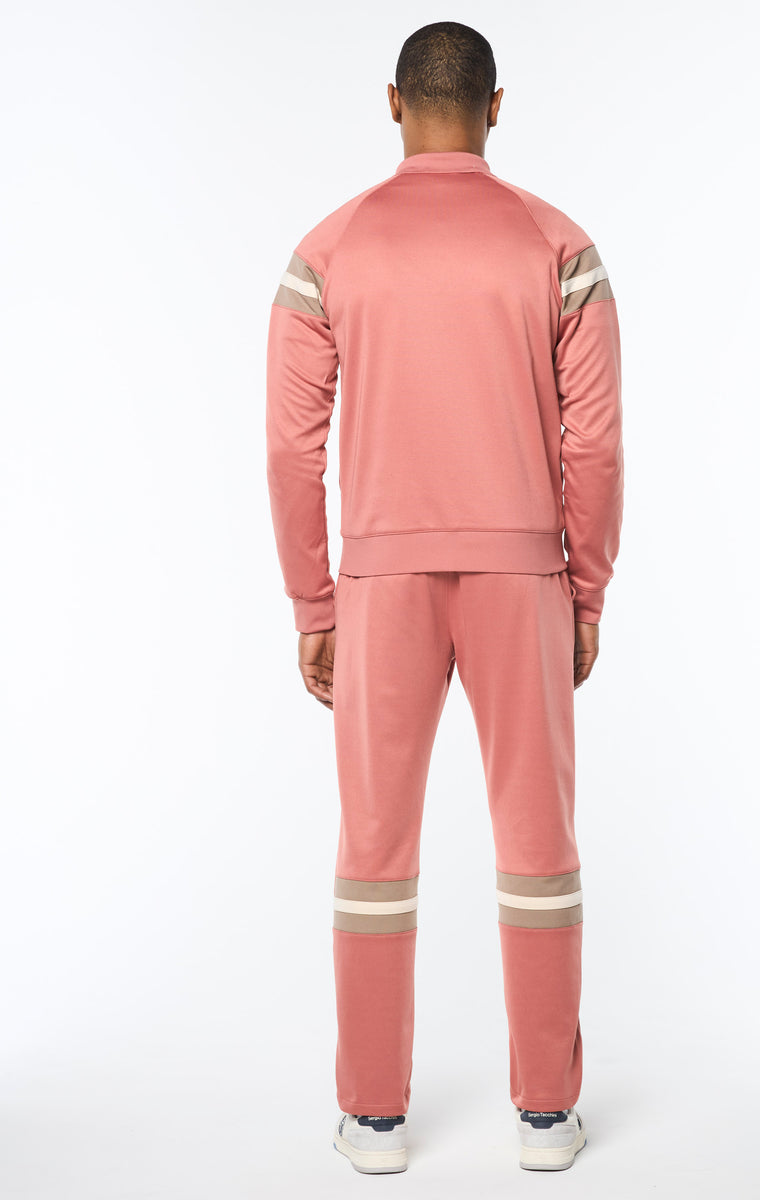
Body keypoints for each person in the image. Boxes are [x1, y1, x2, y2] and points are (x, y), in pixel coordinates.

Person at [265, 20, 624, 1174]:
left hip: (381, 581)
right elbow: (595, 446)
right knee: (539, 841)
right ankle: (546, 1116)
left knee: (374, 847)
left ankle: (373, 1118)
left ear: (392, 102)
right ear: (496, 106)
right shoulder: (559, 246)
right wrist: (586, 591)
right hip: (525, 577)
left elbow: (290, 450)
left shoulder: (328, 250)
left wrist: (315, 606)